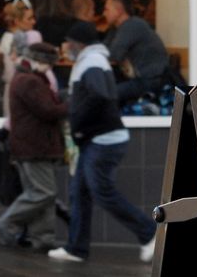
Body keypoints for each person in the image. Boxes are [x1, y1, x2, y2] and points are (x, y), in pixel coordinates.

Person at [48, 21, 156, 264]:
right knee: (79, 193)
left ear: (78, 43)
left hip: (103, 140)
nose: (65, 47)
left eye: (68, 42)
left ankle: (150, 232)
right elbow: (92, 95)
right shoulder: (90, 61)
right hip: (94, 139)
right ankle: (76, 248)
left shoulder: (92, 62)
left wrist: (79, 120)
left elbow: (100, 95)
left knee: (102, 191)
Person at [0, 42, 67, 253]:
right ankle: (8, 222)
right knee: (45, 192)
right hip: (35, 146)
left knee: (39, 193)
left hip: (29, 146)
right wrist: (70, 104)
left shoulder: (25, 78)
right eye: (48, 63)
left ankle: (43, 239)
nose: (49, 68)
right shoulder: (30, 81)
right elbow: (48, 110)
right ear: (38, 60)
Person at [102, 0, 169, 105]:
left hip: (149, 81)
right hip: (136, 78)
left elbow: (114, 55)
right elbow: (102, 50)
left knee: (106, 94)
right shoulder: (116, 29)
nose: (104, 13)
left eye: (107, 9)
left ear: (119, 10)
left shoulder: (132, 25)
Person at [0, 1, 37, 124]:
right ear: (17, 21)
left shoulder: (10, 38)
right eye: (29, 18)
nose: (34, 22)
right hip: (18, 92)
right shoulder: (14, 40)